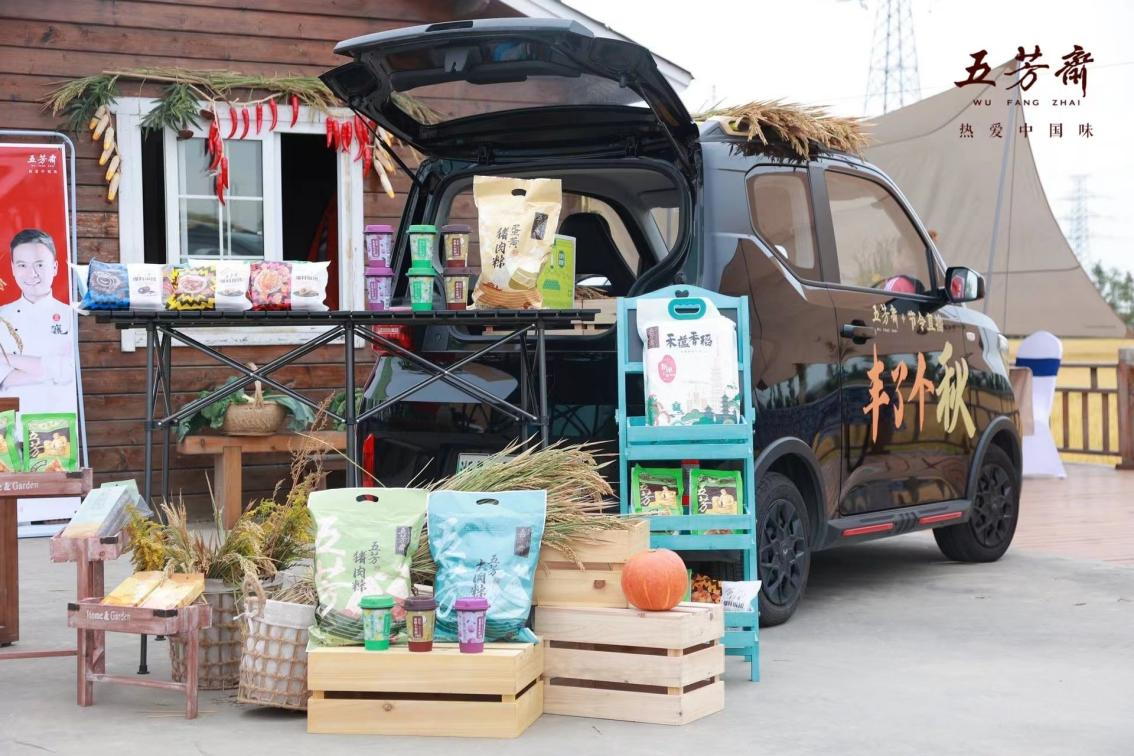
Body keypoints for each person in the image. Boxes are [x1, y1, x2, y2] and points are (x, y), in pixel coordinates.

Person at [0, 229, 76, 418]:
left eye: (40, 264)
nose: (31, 274)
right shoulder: (2, 316)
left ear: (55, 267)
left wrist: (10, 359)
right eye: (22, 265)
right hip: (11, 418)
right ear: (12, 268)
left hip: (59, 416)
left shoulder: (70, 315)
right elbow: (3, 378)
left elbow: (70, 369)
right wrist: (54, 369)